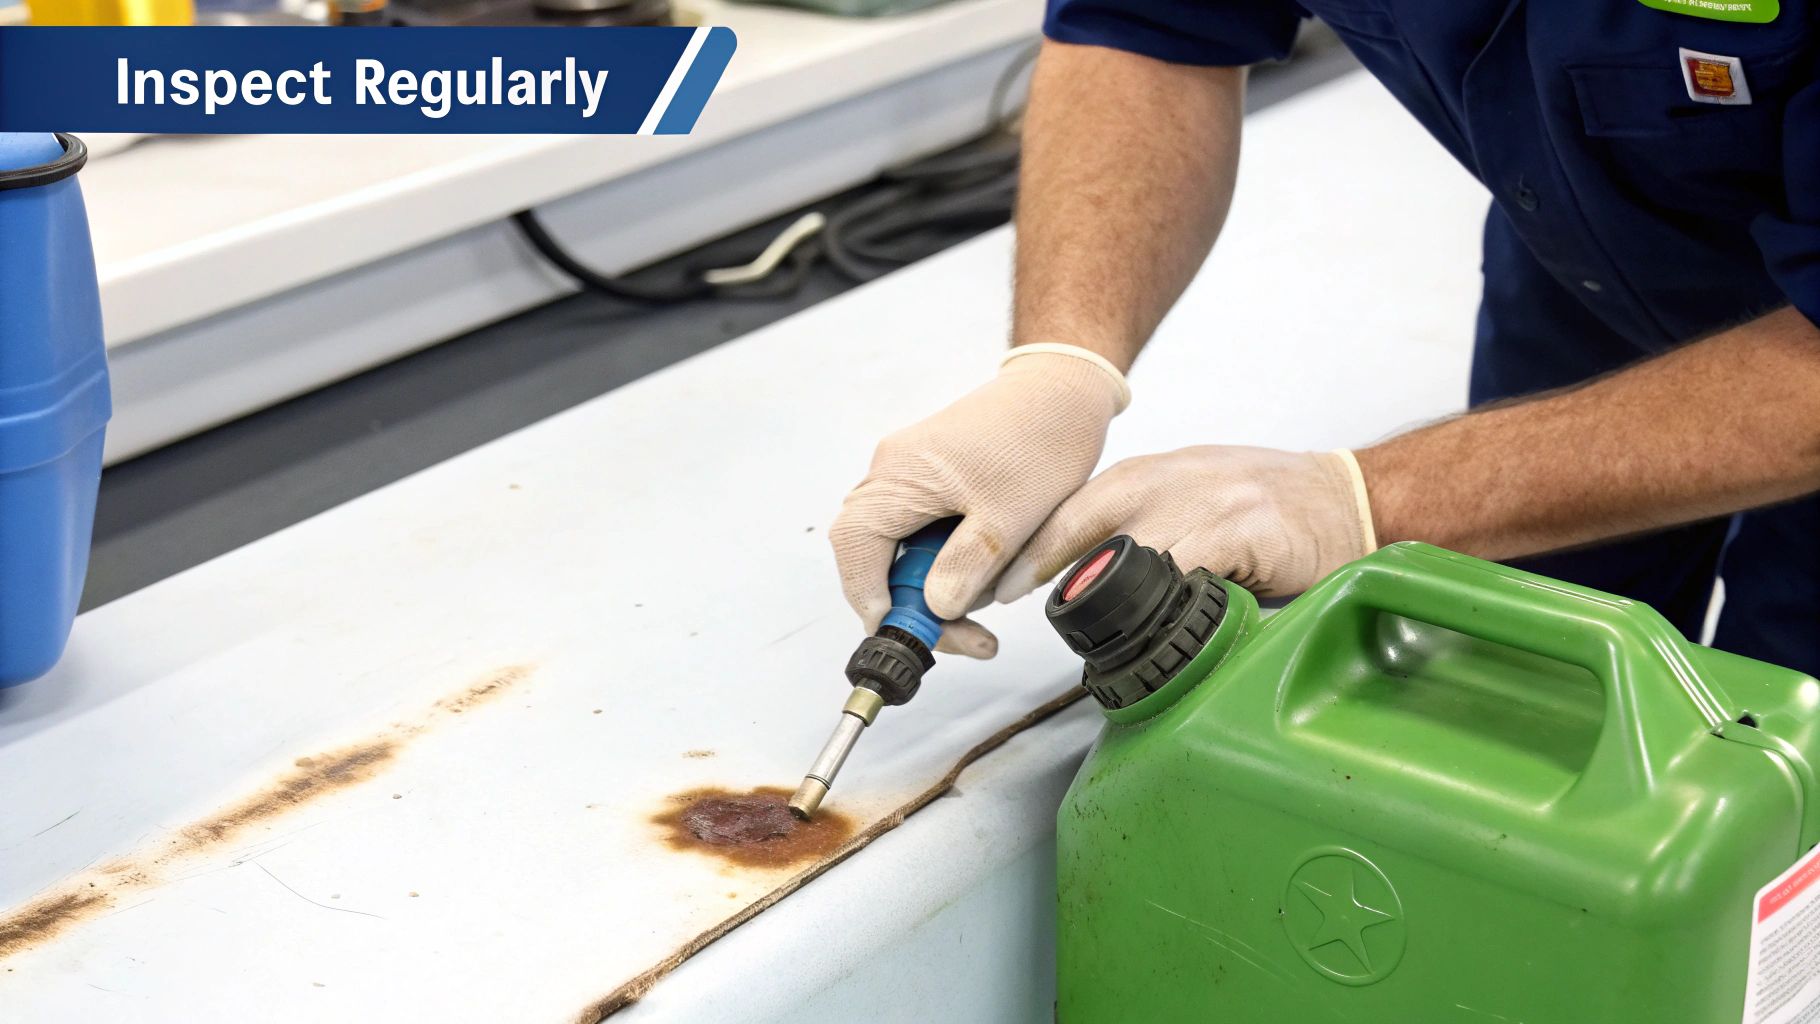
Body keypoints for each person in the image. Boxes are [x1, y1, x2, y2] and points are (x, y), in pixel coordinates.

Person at [829, 1, 1820, 676]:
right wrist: (1061, 362)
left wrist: (1362, 499)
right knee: (1529, 697)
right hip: (1587, 270)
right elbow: (1147, 30)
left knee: (1786, 781)